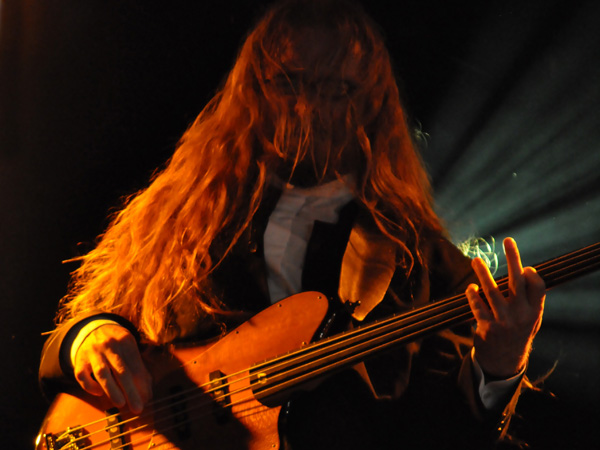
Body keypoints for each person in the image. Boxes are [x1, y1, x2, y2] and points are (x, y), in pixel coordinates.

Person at [39, 0, 546, 448]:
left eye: (336, 89)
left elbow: (438, 435)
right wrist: (91, 337)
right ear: (252, 93)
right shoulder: (182, 218)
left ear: (371, 106)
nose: (308, 109)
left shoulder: (427, 267)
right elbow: (77, 335)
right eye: (288, 83)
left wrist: (498, 366)